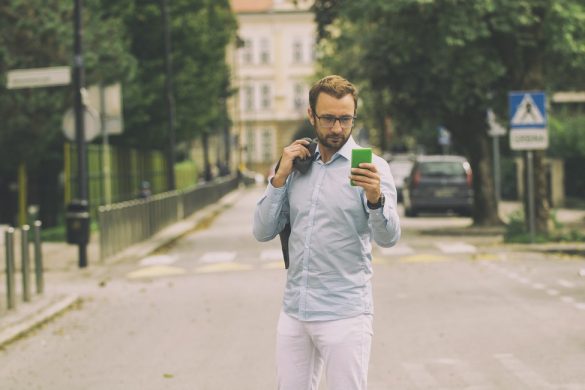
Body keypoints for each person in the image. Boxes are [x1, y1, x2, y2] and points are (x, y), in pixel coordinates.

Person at [253, 75, 401, 389]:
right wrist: (280, 177)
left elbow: (389, 238)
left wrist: (376, 199)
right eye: (329, 118)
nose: (337, 128)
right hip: (295, 311)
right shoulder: (296, 166)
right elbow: (262, 230)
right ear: (311, 115)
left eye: (345, 119)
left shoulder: (372, 168)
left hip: (344, 314)